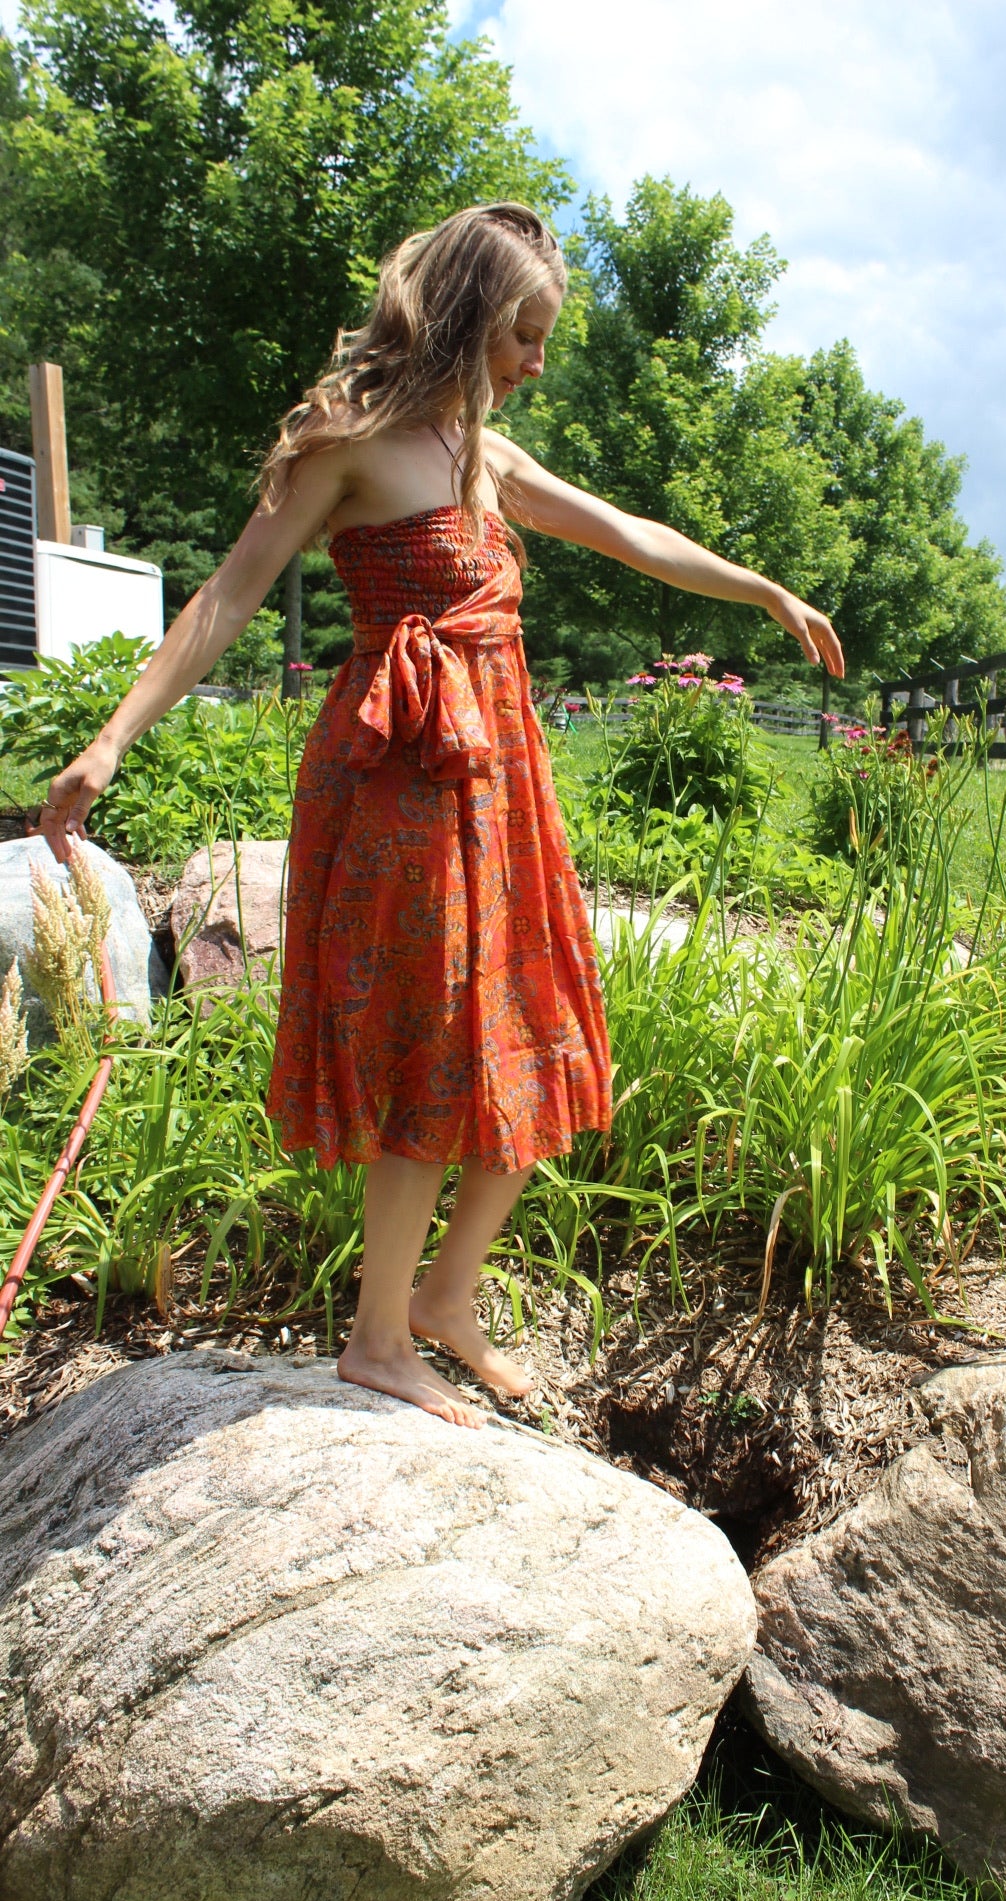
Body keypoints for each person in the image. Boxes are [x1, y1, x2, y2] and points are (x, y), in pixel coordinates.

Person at [40, 202, 844, 1428]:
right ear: (470, 316)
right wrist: (110, 736)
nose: (532, 361)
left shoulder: (487, 455)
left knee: (534, 1023)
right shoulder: (350, 443)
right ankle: (376, 1335)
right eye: (522, 333)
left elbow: (628, 534)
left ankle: (444, 1298)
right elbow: (226, 597)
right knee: (432, 1040)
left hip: (500, 781)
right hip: (397, 779)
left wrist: (762, 588)